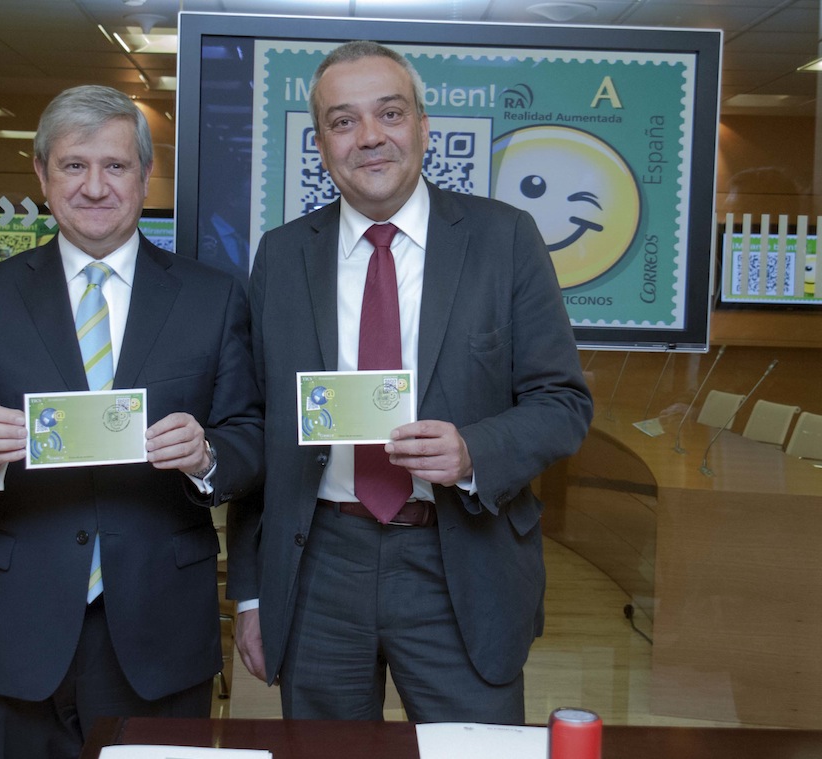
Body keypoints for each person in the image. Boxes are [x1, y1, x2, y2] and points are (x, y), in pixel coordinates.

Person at [228, 41, 593, 724]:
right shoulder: (281, 256)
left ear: (424, 128)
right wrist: (250, 592)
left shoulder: (505, 239)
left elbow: (563, 403)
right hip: (318, 566)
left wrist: (474, 451)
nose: (369, 136)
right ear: (321, 145)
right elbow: (258, 427)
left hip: (460, 562)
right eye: (343, 121)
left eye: (389, 113)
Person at [0, 85, 263, 758]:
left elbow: (250, 437)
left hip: (161, 625)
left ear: (145, 174)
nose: (95, 186)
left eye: (115, 165)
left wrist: (207, 455)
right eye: (74, 165)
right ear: (42, 175)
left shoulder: (211, 298)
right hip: (16, 626)